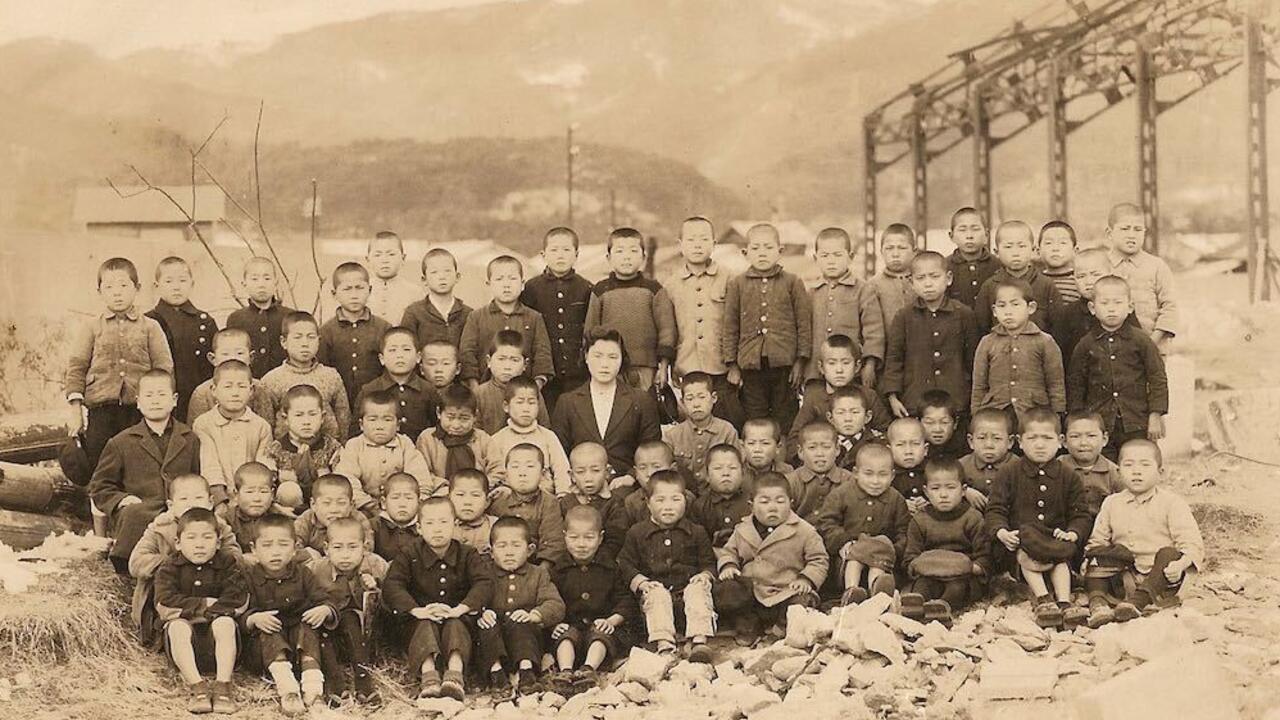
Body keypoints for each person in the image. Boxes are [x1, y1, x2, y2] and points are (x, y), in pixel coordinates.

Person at [985, 409, 1091, 629]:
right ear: (1020, 442)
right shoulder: (1009, 473)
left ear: (1060, 441)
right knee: (1027, 555)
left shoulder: (1069, 476)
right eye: (1032, 438)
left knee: (1060, 560)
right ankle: (1043, 600)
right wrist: (1002, 532)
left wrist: (1073, 532)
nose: (1040, 445)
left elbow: (1080, 513)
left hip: (1055, 541)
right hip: (1020, 544)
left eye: (1047, 438)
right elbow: (995, 509)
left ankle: (1064, 602)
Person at [66, 257, 175, 470]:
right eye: (109, 287)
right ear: (99, 292)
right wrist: (75, 412)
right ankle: (100, 502)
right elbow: (76, 368)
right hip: (101, 412)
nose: (117, 292)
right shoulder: (91, 327)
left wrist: (160, 405)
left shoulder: (150, 327)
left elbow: (164, 369)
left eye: (124, 285)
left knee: (140, 463)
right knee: (101, 464)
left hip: (139, 410)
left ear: (137, 288)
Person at [1083, 439, 1204, 627]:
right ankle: (1098, 604)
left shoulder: (1172, 503)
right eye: (1128, 465)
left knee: (1168, 553)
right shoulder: (1112, 503)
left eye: (1145, 465)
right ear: (1119, 471)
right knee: (1096, 554)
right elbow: (1098, 539)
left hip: (1161, 577)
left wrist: (1180, 564)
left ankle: (1137, 604)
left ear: (1160, 472)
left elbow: (1191, 543)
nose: (1136, 471)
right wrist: (1090, 558)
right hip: (1124, 575)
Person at [383, 497, 491, 701]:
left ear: (455, 524)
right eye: (430, 523)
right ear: (419, 528)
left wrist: (461, 608)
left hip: (457, 616)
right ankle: (429, 676)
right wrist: (416, 610)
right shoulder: (409, 553)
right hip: (420, 619)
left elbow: (484, 583)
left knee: (456, 625)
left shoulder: (467, 554)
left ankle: (455, 675)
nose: (437, 529)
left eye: (443, 522)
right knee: (424, 625)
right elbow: (392, 585)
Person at [90, 369, 199, 572]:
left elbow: (197, 475)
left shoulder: (190, 438)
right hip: (142, 510)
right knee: (135, 514)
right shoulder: (121, 442)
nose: (155, 401)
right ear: (138, 402)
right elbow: (99, 486)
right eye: (149, 396)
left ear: (174, 400)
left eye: (161, 395)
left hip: (180, 508)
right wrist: (121, 499)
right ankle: (129, 566)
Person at [153, 507, 248, 714]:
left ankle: (223, 686)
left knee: (225, 623)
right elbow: (165, 604)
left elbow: (237, 600)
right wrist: (204, 605)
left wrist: (208, 614)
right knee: (177, 626)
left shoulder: (228, 564)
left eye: (207, 537)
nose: (199, 544)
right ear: (178, 543)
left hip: (221, 646)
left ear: (218, 541)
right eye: (191, 538)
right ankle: (198, 687)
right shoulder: (170, 567)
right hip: (185, 648)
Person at [714, 472, 827, 644]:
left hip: (785, 591)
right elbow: (729, 551)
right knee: (729, 590)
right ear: (751, 505)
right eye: (765, 502)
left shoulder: (804, 530)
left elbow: (819, 559)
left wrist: (806, 579)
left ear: (791, 503)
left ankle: (781, 628)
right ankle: (748, 625)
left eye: (780, 501)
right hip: (752, 592)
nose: (773, 507)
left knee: (802, 601)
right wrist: (729, 565)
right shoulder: (743, 529)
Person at [617, 470, 717, 662]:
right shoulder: (637, 533)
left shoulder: (696, 531)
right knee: (656, 592)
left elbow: (708, 562)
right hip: (656, 600)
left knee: (698, 589)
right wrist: (641, 582)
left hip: (687, 597)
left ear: (686, 500)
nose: (668, 507)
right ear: (648, 503)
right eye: (660, 500)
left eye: (675, 499)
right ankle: (664, 643)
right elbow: (625, 563)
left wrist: (704, 575)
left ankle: (699, 640)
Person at [129, 474, 240, 644]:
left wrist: (210, 557)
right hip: (171, 595)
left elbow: (235, 557)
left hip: (210, 592)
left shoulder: (218, 526)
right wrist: (176, 563)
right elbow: (136, 562)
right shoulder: (159, 527)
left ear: (210, 502)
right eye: (183, 498)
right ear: (171, 505)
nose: (191, 503)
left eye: (198, 497)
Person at [1067, 275, 1169, 461]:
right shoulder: (1086, 344)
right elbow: (1076, 384)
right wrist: (1079, 421)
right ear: (1092, 308)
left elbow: (1157, 378)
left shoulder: (1141, 341)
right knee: (1105, 465)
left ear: (1130, 307)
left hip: (1136, 419)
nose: (1111, 308)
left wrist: (1155, 415)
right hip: (1100, 422)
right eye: (1104, 303)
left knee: (1138, 459)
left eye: (1118, 302)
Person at [722, 223, 811, 432]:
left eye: (768, 248)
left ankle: (783, 462)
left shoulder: (792, 282)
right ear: (745, 253)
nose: (762, 253)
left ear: (780, 251)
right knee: (755, 418)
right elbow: (730, 326)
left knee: (785, 417)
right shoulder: (737, 285)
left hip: (785, 367)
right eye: (756, 248)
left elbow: (803, 324)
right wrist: (732, 365)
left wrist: (800, 362)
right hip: (750, 367)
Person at [242, 514, 334, 714]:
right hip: (267, 652)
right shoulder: (248, 577)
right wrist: (253, 619)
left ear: (294, 549)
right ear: (253, 550)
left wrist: (324, 609)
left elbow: (324, 599)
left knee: (308, 624)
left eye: (283, 545)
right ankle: (288, 691)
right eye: (267, 545)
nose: (275, 552)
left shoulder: (303, 574)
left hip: (301, 648)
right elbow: (238, 612)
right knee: (269, 625)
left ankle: (313, 690)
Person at [665, 216, 745, 428]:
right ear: (680, 245)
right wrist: (672, 365)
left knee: (727, 424)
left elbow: (738, 324)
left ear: (714, 244)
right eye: (691, 240)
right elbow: (668, 329)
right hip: (687, 367)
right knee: (691, 426)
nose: (697, 245)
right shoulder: (671, 284)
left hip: (721, 369)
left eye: (703, 239)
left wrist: (735, 366)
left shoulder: (731, 279)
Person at [551, 327, 662, 478]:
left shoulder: (641, 400)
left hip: (627, 487)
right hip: (582, 487)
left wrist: (631, 477)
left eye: (612, 357)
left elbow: (652, 450)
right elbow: (559, 454)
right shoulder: (567, 402)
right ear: (586, 357)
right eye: (598, 356)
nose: (605, 364)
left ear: (622, 359)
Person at [883, 251, 980, 419]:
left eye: (934, 277)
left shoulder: (964, 314)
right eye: (921, 278)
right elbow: (894, 359)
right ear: (911, 282)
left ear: (948, 278)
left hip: (955, 400)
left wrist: (972, 399)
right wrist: (893, 397)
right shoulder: (904, 316)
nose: (928, 284)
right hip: (914, 401)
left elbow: (973, 361)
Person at [548, 506, 638, 687]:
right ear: (564, 536)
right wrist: (554, 624)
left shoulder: (611, 567)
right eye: (574, 537)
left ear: (600, 538)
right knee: (565, 636)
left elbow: (626, 600)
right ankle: (565, 671)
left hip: (601, 626)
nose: (581, 544)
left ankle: (589, 670)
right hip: (571, 626)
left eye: (589, 538)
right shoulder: (557, 569)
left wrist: (611, 621)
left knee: (600, 635)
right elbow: (550, 600)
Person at [476, 517, 567, 695]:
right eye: (502, 546)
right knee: (487, 626)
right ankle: (497, 675)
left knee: (522, 623)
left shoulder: (538, 574)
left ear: (529, 550)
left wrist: (535, 614)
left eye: (516, 546)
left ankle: (527, 673)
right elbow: (472, 597)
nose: (509, 552)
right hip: (495, 639)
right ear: (491, 552)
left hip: (526, 642)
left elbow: (555, 604)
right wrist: (482, 612)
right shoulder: (484, 573)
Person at [813, 443, 910, 606]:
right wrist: (843, 542)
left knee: (879, 562)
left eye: (882, 475)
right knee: (855, 558)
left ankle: (877, 594)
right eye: (869, 474)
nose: (875, 481)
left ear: (892, 476)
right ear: (856, 473)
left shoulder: (896, 499)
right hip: (850, 553)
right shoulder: (841, 494)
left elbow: (903, 530)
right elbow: (826, 523)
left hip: (882, 556)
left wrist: (894, 549)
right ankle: (851, 592)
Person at [898, 459, 991, 625]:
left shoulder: (973, 518)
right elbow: (910, 558)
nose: (943, 494)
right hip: (930, 573)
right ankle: (915, 608)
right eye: (935, 488)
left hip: (962, 576)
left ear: (963, 491)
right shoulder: (920, 520)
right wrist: (924, 566)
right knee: (922, 585)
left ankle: (941, 608)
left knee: (956, 587)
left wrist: (966, 567)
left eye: (950, 487)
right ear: (926, 492)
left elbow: (984, 558)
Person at [584, 226, 677, 390]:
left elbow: (666, 331)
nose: (626, 257)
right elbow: (590, 331)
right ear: (608, 257)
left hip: (646, 366)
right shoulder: (600, 291)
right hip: (609, 366)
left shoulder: (654, 290)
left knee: (646, 407)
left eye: (633, 251)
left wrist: (663, 367)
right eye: (619, 251)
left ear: (643, 257)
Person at [311, 517, 388, 705]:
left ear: (365, 547)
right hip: (328, 632)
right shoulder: (316, 569)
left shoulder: (376, 565)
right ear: (326, 548)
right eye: (338, 548)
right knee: (321, 631)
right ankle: (337, 685)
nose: (345, 555)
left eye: (352, 547)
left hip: (362, 635)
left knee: (349, 618)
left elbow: (395, 592)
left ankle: (364, 682)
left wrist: (376, 587)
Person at [971, 278, 1067, 425]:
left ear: (1031, 308)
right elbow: (979, 386)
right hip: (996, 413)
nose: (1008, 312)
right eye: (1002, 306)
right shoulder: (987, 342)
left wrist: (1056, 417)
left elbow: (1055, 384)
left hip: (1034, 414)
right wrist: (977, 416)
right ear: (994, 311)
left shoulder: (1045, 342)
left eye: (1015, 305)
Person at [520, 227, 593, 413]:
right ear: (543, 254)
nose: (560, 255)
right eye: (554, 250)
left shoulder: (586, 288)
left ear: (576, 254)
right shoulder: (531, 288)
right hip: (544, 371)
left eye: (566, 250)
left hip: (576, 371)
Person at [458, 255, 554, 387]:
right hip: (485, 389)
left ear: (522, 284)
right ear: (489, 284)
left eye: (512, 278)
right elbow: (467, 354)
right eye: (499, 279)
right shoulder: (476, 317)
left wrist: (536, 387)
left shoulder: (534, 318)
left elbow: (542, 355)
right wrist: (476, 389)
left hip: (524, 392)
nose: (506, 284)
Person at [787, 335, 891, 455]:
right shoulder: (814, 397)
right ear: (821, 367)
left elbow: (886, 432)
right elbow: (795, 439)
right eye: (832, 363)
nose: (839, 370)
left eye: (846, 363)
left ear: (857, 366)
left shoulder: (868, 396)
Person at [808, 226, 884, 387]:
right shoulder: (811, 292)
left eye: (837, 255)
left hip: (851, 374)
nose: (831, 260)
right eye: (825, 255)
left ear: (850, 257)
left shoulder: (863, 290)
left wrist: (869, 365)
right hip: (817, 372)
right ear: (816, 258)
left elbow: (874, 331)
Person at [192, 359, 272, 508]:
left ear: (251, 390)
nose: (235, 393)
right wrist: (220, 502)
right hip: (217, 499)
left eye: (241, 386)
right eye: (228, 386)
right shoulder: (204, 424)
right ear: (214, 390)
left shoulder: (261, 426)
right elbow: (210, 467)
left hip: (254, 499)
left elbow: (263, 469)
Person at [1047, 247, 1141, 375]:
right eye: (1081, 276)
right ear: (1074, 280)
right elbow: (1058, 355)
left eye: (1095, 274)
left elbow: (1138, 346)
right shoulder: (1067, 314)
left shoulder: (1121, 309)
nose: (1089, 281)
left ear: (1110, 274)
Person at [335, 390, 433, 511]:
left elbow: (419, 475)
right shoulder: (354, 446)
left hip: (402, 506)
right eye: (372, 419)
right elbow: (347, 479)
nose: (379, 426)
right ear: (361, 424)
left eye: (387, 420)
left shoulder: (405, 444)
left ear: (398, 425)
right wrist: (366, 503)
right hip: (364, 507)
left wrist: (418, 501)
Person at [147, 256, 217, 422]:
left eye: (182, 281)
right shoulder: (148, 321)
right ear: (157, 286)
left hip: (199, 397)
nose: (176, 287)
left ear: (192, 284)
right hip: (160, 398)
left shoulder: (205, 321)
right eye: (169, 281)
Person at [261, 311, 350, 440]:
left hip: (329, 453)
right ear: (283, 342)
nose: (305, 343)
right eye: (298, 337)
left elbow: (343, 419)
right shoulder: (271, 381)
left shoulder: (331, 376)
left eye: (311, 337)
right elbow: (266, 424)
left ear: (318, 341)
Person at [318, 262, 391, 414]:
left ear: (369, 290)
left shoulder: (384, 329)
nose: (354, 295)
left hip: (377, 405)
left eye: (359, 288)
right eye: (347, 289)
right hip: (339, 406)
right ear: (334, 293)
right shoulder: (325, 332)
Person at [1105, 202, 1178, 350]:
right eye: (1125, 229)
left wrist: (1151, 344)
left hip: (1152, 348)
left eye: (1138, 229)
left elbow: (1170, 308)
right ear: (1109, 233)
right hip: (1109, 352)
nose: (1131, 235)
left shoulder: (1157, 266)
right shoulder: (1100, 265)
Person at [973, 221, 1063, 336]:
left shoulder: (1046, 285)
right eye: (1008, 247)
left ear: (1033, 249)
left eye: (1021, 246)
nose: (1015, 253)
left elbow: (1058, 327)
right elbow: (981, 327)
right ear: (996, 252)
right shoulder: (990, 286)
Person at [486, 376, 572, 494]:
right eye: (520, 402)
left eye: (531, 403)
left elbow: (561, 469)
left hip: (544, 499)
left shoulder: (548, 437)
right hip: (509, 500)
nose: (526, 409)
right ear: (506, 406)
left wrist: (563, 494)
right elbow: (492, 474)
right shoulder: (497, 439)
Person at [262, 386, 344, 509]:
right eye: (299, 415)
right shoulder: (275, 449)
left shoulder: (332, 447)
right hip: (287, 508)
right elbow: (266, 482)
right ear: (286, 419)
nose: (306, 421)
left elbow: (343, 479)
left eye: (312, 414)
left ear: (322, 417)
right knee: (288, 490)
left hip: (325, 507)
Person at [488, 443, 567, 565]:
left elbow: (553, 543)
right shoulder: (498, 502)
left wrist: (539, 575)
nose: (522, 473)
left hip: (536, 569)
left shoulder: (549, 503)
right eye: (515, 467)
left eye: (530, 466)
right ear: (506, 474)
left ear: (542, 473)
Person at [355, 327, 438, 443]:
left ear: (418, 357)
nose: (400, 355)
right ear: (382, 359)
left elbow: (437, 428)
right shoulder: (369, 390)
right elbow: (356, 433)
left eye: (406, 349)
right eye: (392, 350)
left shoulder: (428, 390)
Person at [663, 372, 739, 495]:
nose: (696, 404)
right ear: (682, 402)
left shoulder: (726, 431)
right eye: (690, 398)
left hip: (718, 497)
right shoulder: (672, 436)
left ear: (713, 398)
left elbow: (738, 469)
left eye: (701, 397)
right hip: (684, 497)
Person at [225, 257, 294, 379]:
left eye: (267, 278)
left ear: (275, 282)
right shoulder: (236, 319)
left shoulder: (289, 316)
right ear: (244, 284)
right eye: (254, 279)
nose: (261, 284)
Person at [187, 329, 275, 423]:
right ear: (213, 358)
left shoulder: (259, 388)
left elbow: (267, 425)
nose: (233, 358)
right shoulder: (202, 393)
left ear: (251, 357)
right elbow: (196, 431)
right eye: (225, 354)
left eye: (240, 353)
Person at [473, 330, 552, 435]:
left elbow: (544, 429)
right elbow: (475, 432)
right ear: (489, 361)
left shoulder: (532, 391)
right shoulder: (480, 393)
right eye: (501, 359)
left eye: (514, 360)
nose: (507, 366)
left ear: (525, 364)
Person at [416, 384, 490, 490]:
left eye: (464, 418)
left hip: (477, 493)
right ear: (438, 413)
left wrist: (479, 486)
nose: (456, 425)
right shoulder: (427, 438)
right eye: (450, 417)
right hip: (441, 492)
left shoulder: (483, 439)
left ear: (475, 416)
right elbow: (422, 472)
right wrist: (446, 486)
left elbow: (496, 470)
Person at [400, 247, 472, 352]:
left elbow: (470, 352)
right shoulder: (413, 313)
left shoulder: (469, 314)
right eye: (434, 272)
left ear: (457, 277)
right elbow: (407, 350)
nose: (442, 277)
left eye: (447, 271)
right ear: (424, 280)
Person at [293, 475, 374, 560]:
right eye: (327, 503)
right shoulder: (305, 520)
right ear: (313, 504)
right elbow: (292, 547)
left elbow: (368, 548)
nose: (334, 510)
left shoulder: (358, 520)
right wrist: (308, 555)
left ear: (351, 505)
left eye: (341, 503)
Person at [786, 422, 853, 525]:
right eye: (812, 447)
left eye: (826, 447)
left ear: (837, 450)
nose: (820, 454)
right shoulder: (790, 482)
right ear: (800, 452)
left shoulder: (849, 480)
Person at [1060, 411, 1124, 517]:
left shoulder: (1114, 472)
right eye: (1075, 436)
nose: (1083, 443)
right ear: (1064, 441)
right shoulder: (1058, 467)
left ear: (1104, 439)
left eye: (1091, 436)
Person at [688, 444, 751, 549]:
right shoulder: (699, 506)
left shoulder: (751, 503)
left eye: (732, 468)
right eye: (718, 468)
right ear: (707, 475)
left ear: (743, 473)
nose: (726, 473)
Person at [958, 408, 1016, 509]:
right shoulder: (961, 465)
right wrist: (965, 491)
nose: (989, 445)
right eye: (981, 438)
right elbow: (947, 485)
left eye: (997, 438)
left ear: (1010, 442)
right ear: (971, 441)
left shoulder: (1017, 466)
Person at [227, 462, 289, 555]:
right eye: (249, 492)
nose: (257, 499)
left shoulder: (279, 518)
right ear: (236, 494)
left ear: (272, 494)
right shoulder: (227, 520)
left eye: (263, 492)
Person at [946, 208, 1001, 309]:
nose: (969, 236)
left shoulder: (999, 266)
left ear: (986, 234)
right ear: (951, 236)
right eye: (962, 230)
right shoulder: (944, 267)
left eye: (975, 229)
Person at [869, 224, 919, 334]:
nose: (895, 254)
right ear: (881, 252)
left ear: (914, 251)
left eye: (902, 248)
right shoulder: (872, 285)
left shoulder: (922, 280)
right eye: (889, 248)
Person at [365, 231, 423, 325]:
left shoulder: (415, 293)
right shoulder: (360, 290)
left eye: (391, 254)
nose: (384, 260)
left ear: (403, 258)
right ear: (368, 260)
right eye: (377, 255)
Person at [827, 387, 882, 470]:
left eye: (855, 412)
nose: (848, 419)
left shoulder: (878, 444)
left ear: (867, 416)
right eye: (840, 413)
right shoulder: (823, 443)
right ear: (830, 418)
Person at [371, 472, 422, 562]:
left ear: (419, 502)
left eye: (409, 498)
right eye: (395, 498)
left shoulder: (424, 527)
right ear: (383, 503)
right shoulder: (373, 527)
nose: (402, 504)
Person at [449, 469, 499, 556]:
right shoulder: (443, 524)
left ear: (487, 501)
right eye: (460, 494)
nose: (467, 502)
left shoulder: (495, 526)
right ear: (449, 499)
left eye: (475, 495)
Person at [887, 418, 930, 512]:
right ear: (889, 450)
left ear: (925, 449)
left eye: (915, 444)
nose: (908, 451)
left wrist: (930, 501)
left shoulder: (933, 471)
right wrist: (900, 505)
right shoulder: (886, 474)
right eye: (900, 445)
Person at [740, 418, 794, 489]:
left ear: (778, 447)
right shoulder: (737, 473)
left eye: (765, 443)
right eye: (751, 443)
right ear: (743, 447)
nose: (757, 449)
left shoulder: (787, 472)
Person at [1037, 220, 1080, 303]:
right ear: (1038, 251)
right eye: (1049, 243)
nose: (1055, 248)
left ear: (1075, 251)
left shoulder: (1080, 280)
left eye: (1063, 243)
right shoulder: (1034, 281)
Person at [918, 389, 965, 460]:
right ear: (918, 423)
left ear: (955, 423)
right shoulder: (914, 453)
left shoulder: (964, 451)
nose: (937, 429)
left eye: (944, 422)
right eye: (929, 422)